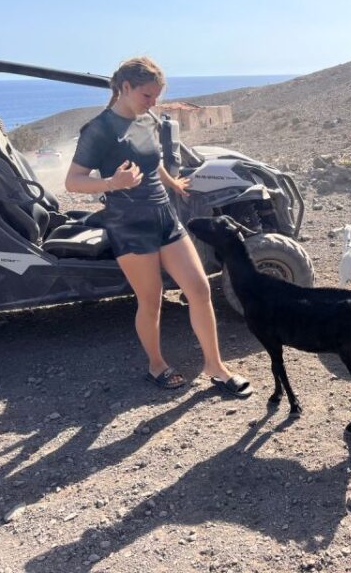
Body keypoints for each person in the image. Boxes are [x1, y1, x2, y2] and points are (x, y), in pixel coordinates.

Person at [65, 56, 252, 398]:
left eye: (156, 96)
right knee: (151, 301)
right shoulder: (99, 129)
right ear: (125, 87)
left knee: (199, 289)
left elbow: (153, 161)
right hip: (129, 225)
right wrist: (112, 183)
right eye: (147, 95)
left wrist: (172, 182)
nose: (153, 103)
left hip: (164, 216)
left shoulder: (147, 118)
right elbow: (73, 181)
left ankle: (215, 366)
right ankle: (156, 365)